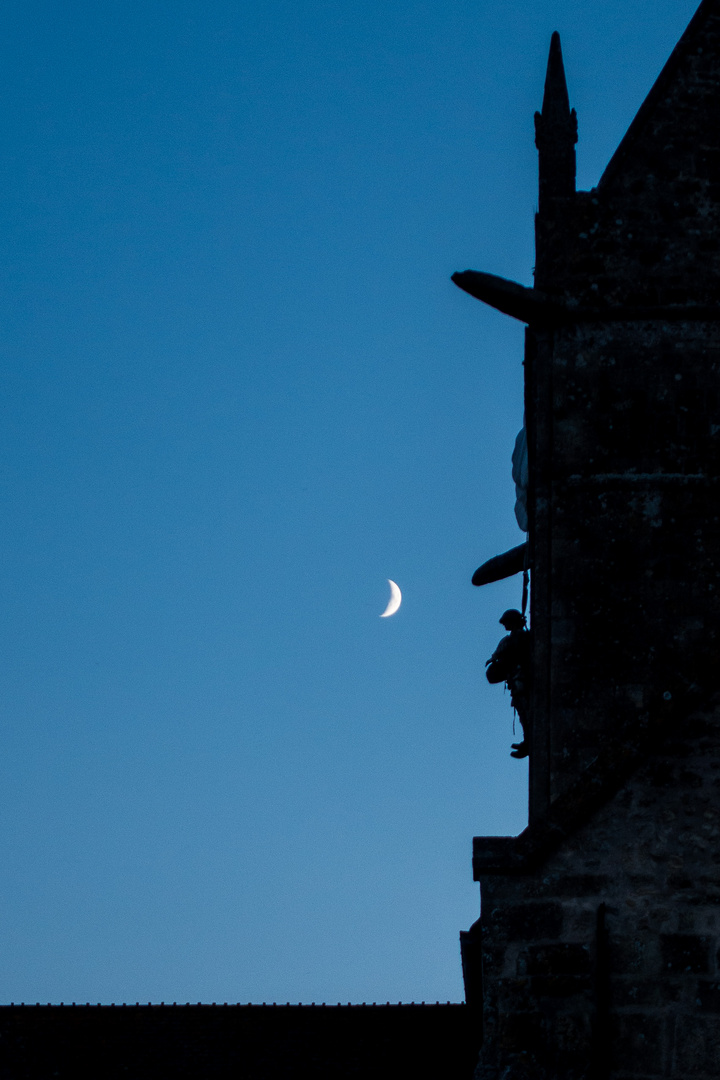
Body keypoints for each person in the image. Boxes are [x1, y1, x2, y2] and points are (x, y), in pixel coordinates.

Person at [486, 609, 532, 758]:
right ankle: (528, 740)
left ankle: (529, 741)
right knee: (523, 711)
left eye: (507, 622)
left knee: (526, 710)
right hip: (517, 680)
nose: (505, 625)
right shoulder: (513, 639)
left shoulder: (519, 638)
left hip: (521, 679)